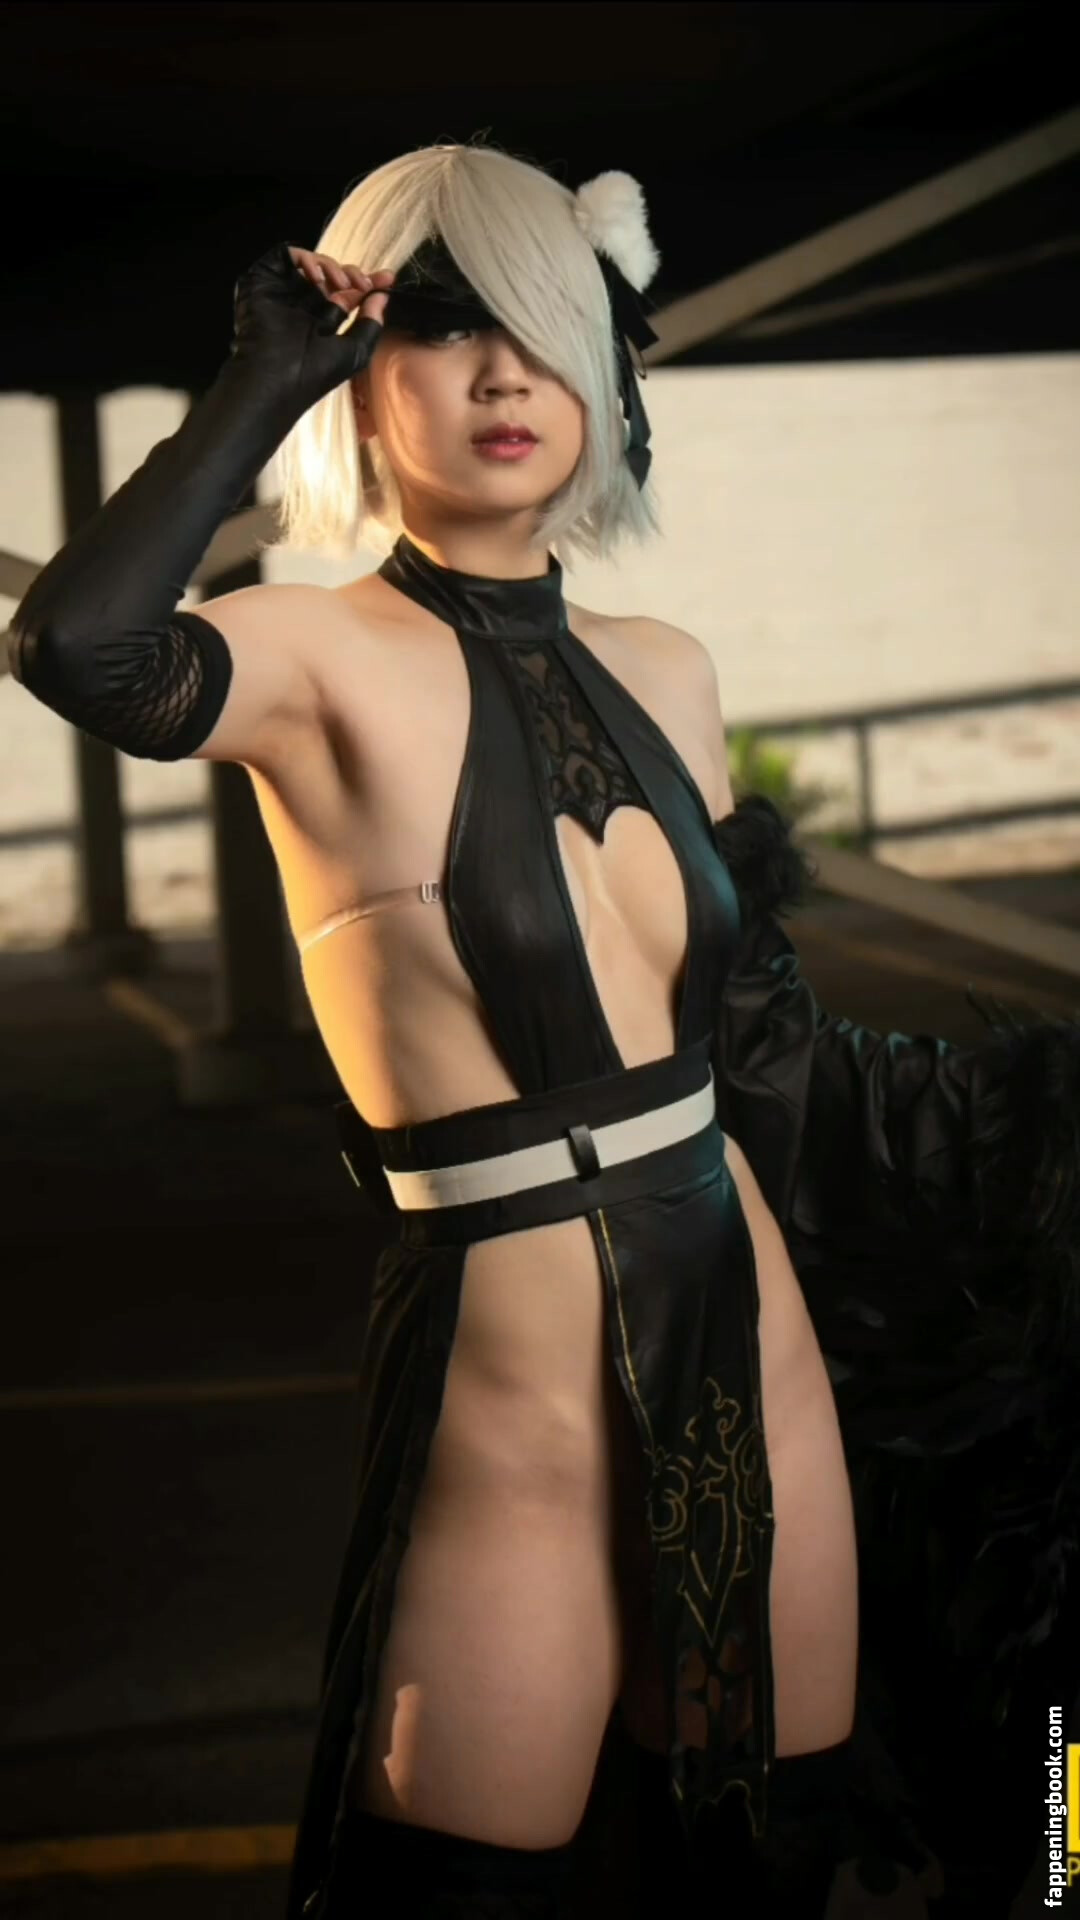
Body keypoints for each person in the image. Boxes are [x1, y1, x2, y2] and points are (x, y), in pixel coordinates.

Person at [7, 138, 1079, 1920]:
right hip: (510, 1403)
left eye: (540, 324)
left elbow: (773, 1052)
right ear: (366, 375)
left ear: (602, 367)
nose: (503, 374)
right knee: (463, 1890)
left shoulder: (670, 667)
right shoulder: (311, 661)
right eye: (441, 327)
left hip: (757, 1357)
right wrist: (263, 379)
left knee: (765, 1866)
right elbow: (79, 649)